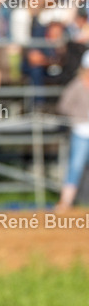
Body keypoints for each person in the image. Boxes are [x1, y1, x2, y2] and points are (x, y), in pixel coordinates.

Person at [55, 51, 89, 211]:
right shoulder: (77, 85)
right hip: (81, 131)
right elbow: (64, 106)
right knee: (75, 166)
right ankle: (65, 202)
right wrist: (77, 117)